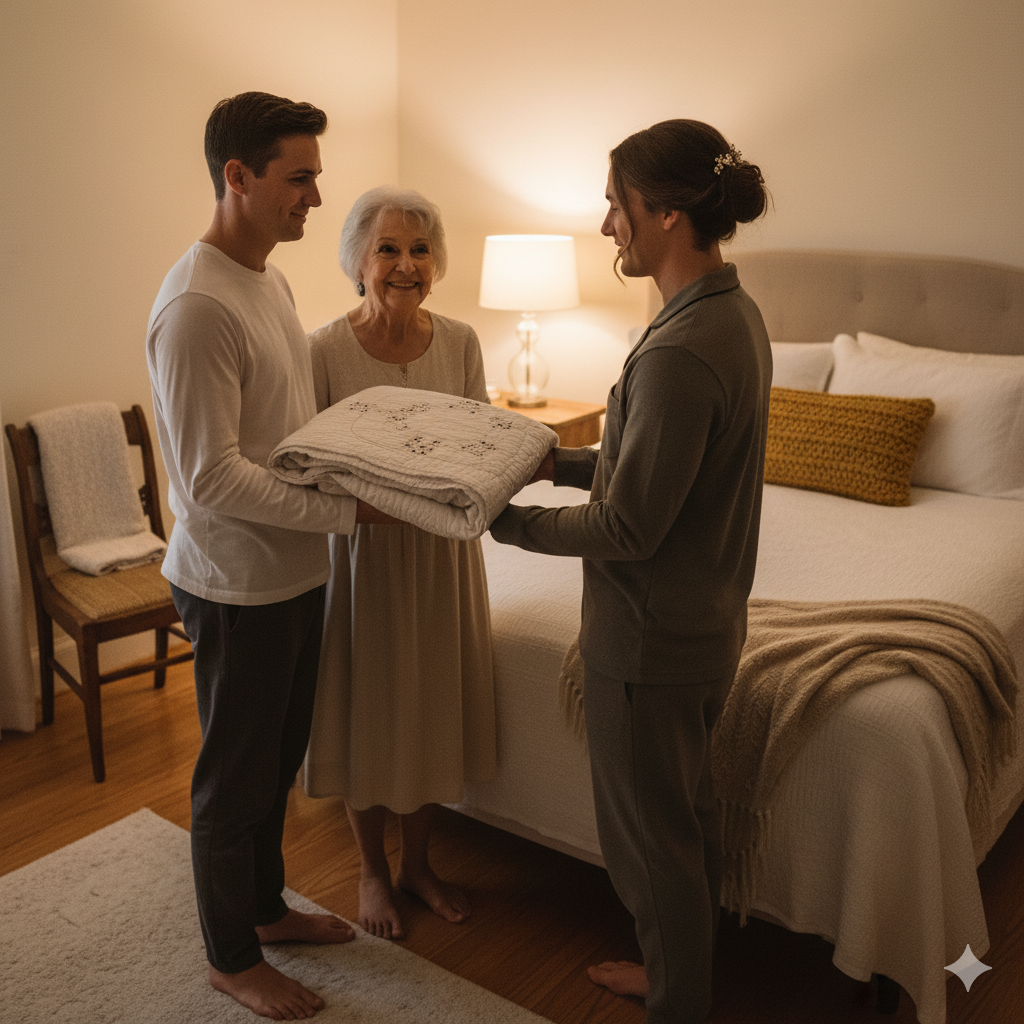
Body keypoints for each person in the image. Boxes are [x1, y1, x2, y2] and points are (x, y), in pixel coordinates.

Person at [488, 120, 772, 1024]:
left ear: (669, 213)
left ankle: (678, 1002)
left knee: (650, 845)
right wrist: (554, 459)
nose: (609, 223)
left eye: (619, 204)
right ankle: (677, 976)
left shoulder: (684, 349)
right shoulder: (730, 313)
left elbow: (631, 524)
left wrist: (505, 523)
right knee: (680, 825)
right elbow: (657, 467)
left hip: (649, 640)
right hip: (705, 623)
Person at [147, 92, 396, 1021]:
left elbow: (281, 432)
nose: (316, 201)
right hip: (235, 582)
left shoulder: (270, 281)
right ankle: (230, 956)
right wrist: (346, 509)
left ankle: (263, 908)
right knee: (236, 776)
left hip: (294, 569)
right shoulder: (198, 308)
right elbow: (210, 480)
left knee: (278, 759)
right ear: (238, 177)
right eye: (300, 180)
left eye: (316, 179)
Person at [303, 186, 497, 941]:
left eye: (419, 249)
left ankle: (420, 864)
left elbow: (482, 442)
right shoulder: (322, 349)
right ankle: (372, 871)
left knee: (429, 708)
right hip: (364, 558)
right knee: (368, 710)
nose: (405, 264)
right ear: (358, 260)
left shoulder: (461, 341)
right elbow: (308, 465)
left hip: (442, 555)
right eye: (388, 248)